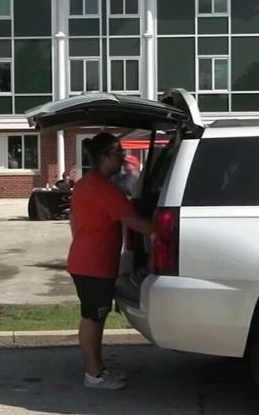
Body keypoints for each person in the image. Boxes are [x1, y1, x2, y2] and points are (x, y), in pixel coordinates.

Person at [68, 133, 153, 390]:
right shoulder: (106, 189)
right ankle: (94, 375)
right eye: (118, 153)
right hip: (94, 266)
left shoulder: (85, 184)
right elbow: (135, 222)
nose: (121, 157)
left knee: (94, 317)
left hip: (84, 260)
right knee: (93, 319)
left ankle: (98, 370)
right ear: (105, 157)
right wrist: (163, 231)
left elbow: (74, 222)